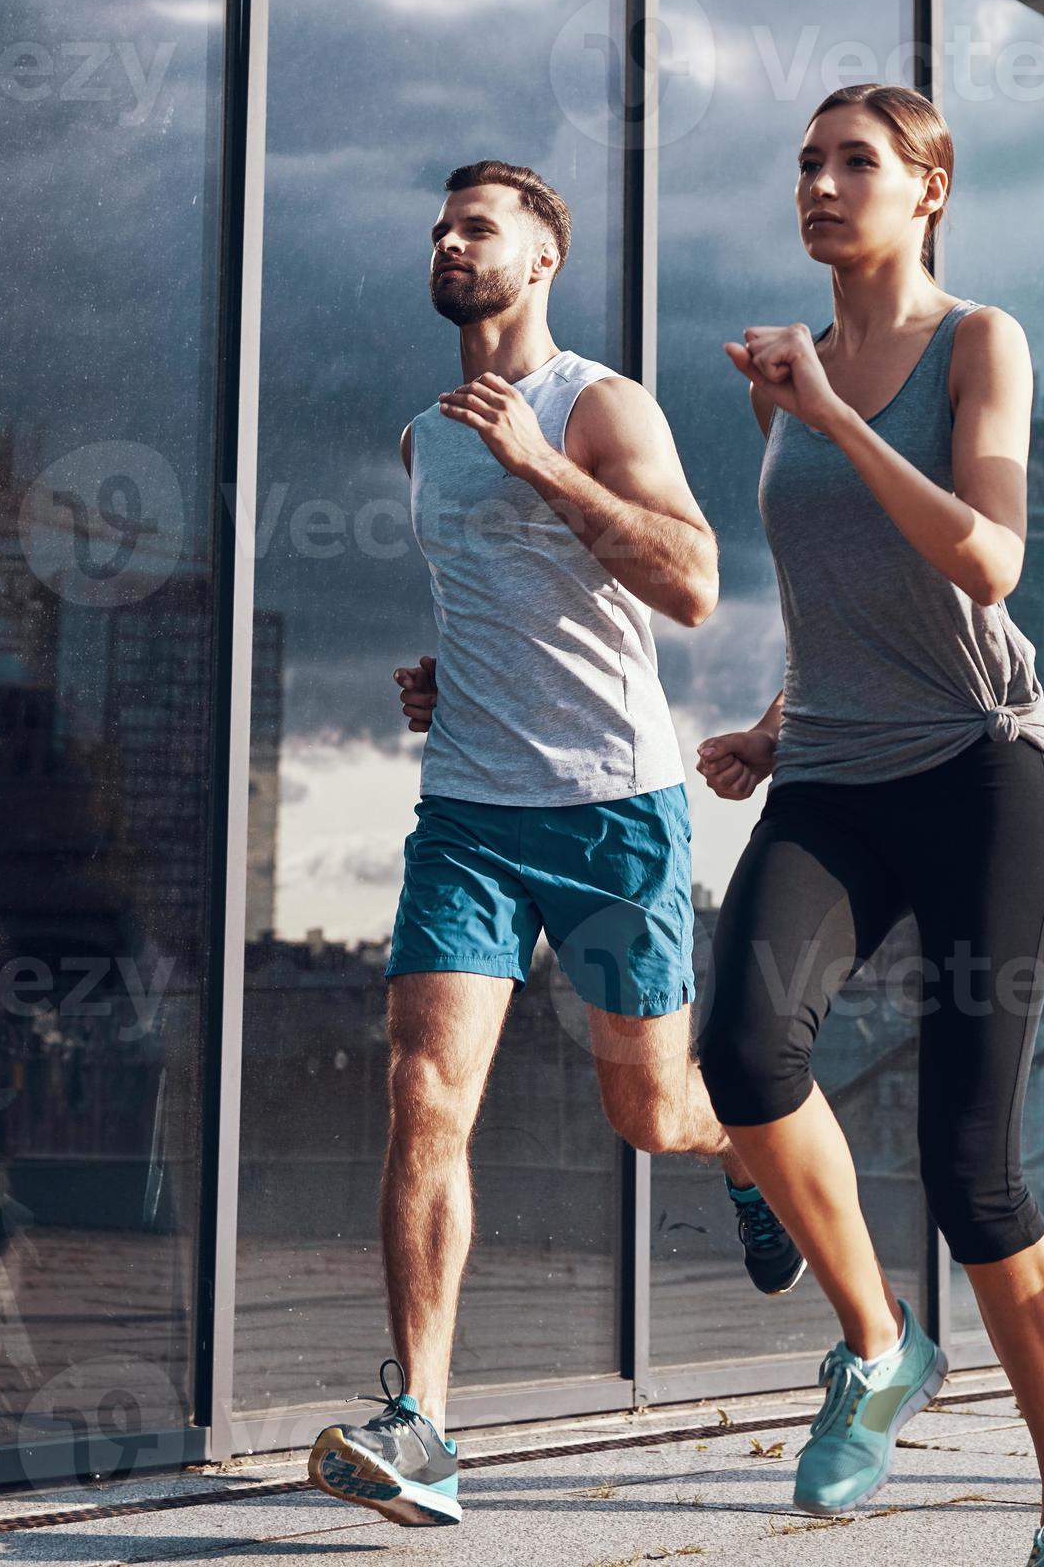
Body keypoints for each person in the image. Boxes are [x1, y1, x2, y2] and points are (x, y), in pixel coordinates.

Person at [306, 161, 800, 1530]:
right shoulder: (421, 435)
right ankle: (422, 1423)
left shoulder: (595, 403)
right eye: (438, 226)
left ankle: (749, 1155)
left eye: (478, 227)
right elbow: (494, 602)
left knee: (649, 1115)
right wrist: (440, 680)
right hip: (466, 809)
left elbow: (692, 583)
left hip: (611, 805)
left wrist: (536, 462)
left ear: (541, 260)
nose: (447, 241)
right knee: (422, 1091)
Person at [695, 84, 1044, 1567]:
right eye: (804, 160)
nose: (819, 182)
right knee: (740, 1053)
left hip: (979, 770)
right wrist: (771, 718)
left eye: (854, 163)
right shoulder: (788, 369)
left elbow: (986, 558)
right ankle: (878, 1347)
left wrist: (825, 412)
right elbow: (838, 589)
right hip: (830, 763)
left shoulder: (974, 344)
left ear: (926, 190)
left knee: (970, 1169)